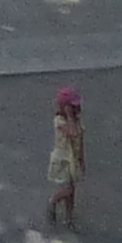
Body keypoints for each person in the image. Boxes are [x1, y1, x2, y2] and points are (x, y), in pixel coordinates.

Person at [46, 84, 85, 229]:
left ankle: (69, 218)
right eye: (72, 106)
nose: (77, 108)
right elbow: (73, 133)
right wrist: (69, 116)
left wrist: (82, 159)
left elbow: (80, 139)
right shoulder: (60, 121)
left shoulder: (77, 121)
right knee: (67, 189)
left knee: (72, 191)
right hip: (62, 159)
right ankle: (53, 201)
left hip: (73, 158)